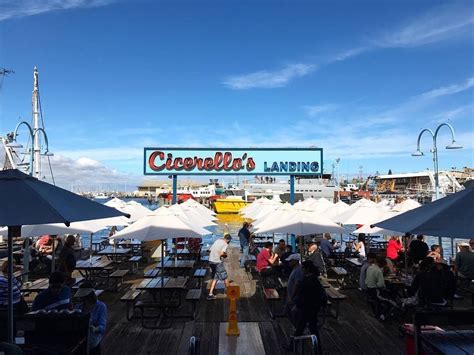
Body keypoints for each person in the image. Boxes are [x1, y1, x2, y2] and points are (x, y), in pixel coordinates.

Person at [286, 260, 326, 352]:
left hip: (307, 307)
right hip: (314, 307)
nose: (302, 270)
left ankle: (292, 346)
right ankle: (318, 349)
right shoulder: (314, 279)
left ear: (307, 269)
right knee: (311, 328)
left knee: (301, 327)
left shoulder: (307, 280)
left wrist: (296, 305)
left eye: (303, 268)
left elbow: (303, 295)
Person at [74, 282, 107, 355]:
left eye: (83, 297)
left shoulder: (101, 306)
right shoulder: (78, 306)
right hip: (80, 340)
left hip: (93, 340)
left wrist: (95, 329)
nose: (81, 299)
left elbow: (103, 327)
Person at [207, 234, 232, 300]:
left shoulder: (217, 240)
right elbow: (221, 253)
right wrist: (225, 255)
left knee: (215, 277)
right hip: (217, 262)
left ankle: (210, 294)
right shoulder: (225, 244)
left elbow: (210, 250)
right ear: (228, 240)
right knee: (225, 277)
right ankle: (230, 293)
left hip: (210, 261)